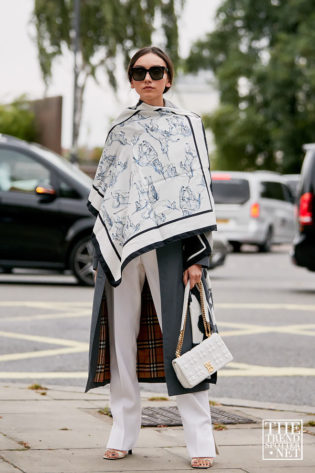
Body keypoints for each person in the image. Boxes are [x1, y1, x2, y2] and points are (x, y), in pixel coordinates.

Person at [86, 46, 218, 469]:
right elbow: (107, 195)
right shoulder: (119, 130)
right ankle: (122, 433)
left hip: (171, 250)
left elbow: (199, 191)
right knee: (121, 342)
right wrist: (102, 253)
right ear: (130, 79)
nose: (148, 78)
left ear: (168, 77)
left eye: (156, 71)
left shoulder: (188, 126)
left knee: (182, 342)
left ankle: (200, 442)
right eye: (139, 71)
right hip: (124, 250)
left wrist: (197, 256)